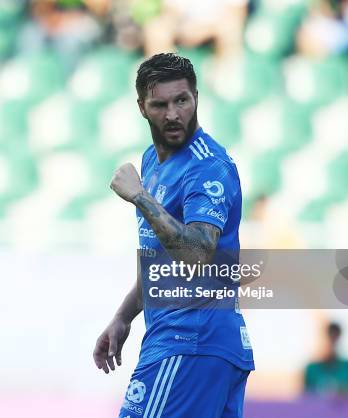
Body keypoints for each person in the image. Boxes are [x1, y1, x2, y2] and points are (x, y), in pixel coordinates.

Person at [92, 53, 254, 418]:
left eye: (182, 100)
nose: (172, 114)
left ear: (196, 97)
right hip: (196, 345)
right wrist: (124, 316)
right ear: (141, 108)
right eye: (159, 104)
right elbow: (159, 258)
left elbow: (197, 255)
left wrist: (140, 197)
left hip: (190, 342)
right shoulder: (152, 160)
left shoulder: (207, 166)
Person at [304, 322, 348, 396]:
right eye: (329, 337)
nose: (332, 342)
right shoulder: (312, 369)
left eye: (335, 337)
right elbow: (306, 396)